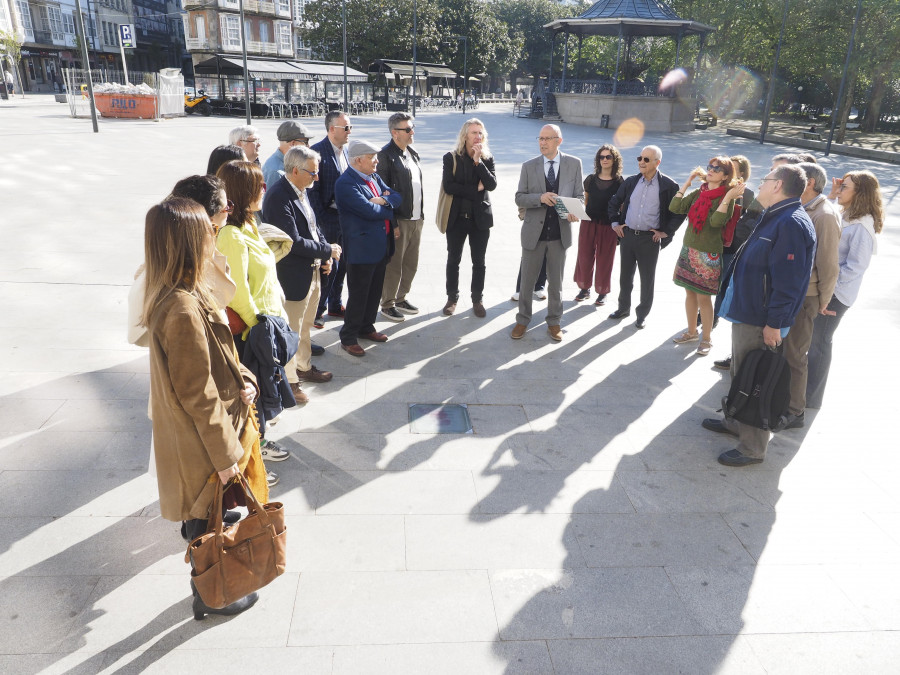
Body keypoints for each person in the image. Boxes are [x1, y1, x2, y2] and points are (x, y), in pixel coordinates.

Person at [141, 198, 265, 619]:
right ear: (186, 242)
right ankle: (213, 594)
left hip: (207, 433)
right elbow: (197, 392)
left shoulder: (186, 291)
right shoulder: (180, 306)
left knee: (206, 515)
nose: (214, 236)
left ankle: (211, 591)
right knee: (203, 522)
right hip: (201, 441)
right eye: (206, 232)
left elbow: (219, 357)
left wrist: (245, 379)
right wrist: (227, 456)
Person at [702, 164, 816, 467]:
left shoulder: (791, 222)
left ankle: (752, 448)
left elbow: (788, 282)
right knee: (742, 372)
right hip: (749, 311)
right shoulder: (777, 214)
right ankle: (735, 422)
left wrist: (774, 324)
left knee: (756, 379)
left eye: (765, 180)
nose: (761, 184)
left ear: (777, 185)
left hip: (761, 318)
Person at [215, 160, 293, 469]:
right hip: (252, 333)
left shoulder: (249, 224)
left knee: (261, 401)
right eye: (258, 185)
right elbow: (236, 292)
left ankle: (256, 453)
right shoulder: (231, 235)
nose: (264, 189)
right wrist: (259, 327)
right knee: (251, 403)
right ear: (242, 191)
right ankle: (251, 467)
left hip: (267, 325)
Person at [262, 145, 341, 396]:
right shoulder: (278, 196)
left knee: (306, 325)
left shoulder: (302, 190)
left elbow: (313, 227)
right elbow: (293, 241)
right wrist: (327, 250)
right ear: (295, 170)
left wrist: (323, 254)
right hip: (293, 275)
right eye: (312, 173)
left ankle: (304, 367)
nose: (316, 178)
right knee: (292, 330)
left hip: (312, 270)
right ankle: (290, 381)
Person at [806, 170, 884, 409]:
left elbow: (855, 267)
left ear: (859, 193)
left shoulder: (863, 225)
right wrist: (831, 194)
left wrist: (828, 293)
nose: (839, 190)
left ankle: (810, 399)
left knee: (820, 342)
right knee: (813, 341)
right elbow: (819, 220)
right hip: (827, 289)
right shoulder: (846, 213)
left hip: (836, 295)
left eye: (844, 187)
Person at [778, 163, 841, 427]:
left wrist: (823, 299)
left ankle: (795, 412)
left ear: (811, 182)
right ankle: (780, 402)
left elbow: (828, 263)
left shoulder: (824, 214)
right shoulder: (802, 207)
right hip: (792, 292)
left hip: (808, 295)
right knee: (784, 352)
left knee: (795, 355)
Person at [511, 124, 584, 341]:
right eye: (540, 138)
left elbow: (580, 196)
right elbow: (519, 197)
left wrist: (575, 211)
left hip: (560, 234)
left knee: (556, 283)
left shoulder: (574, 164)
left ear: (558, 141)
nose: (542, 142)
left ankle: (554, 322)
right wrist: (539, 198)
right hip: (534, 234)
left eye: (547, 139)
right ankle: (522, 320)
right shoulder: (528, 166)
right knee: (526, 283)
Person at [668, 156, 742, 356]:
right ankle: (692, 332)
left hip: (708, 254)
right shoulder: (699, 192)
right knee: (689, 293)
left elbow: (717, 222)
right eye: (710, 167)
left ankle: (707, 338)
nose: (711, 170)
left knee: (704, 298)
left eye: (717, 169)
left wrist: (727, 198)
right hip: (689, 249)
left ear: (726, 176)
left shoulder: (727, 197)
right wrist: (687, 182)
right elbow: (675, 207)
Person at [334, 140, 402, 356]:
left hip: (380, 246)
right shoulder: (346, 183)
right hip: (361, 249)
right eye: (372, 157)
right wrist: (387, 205)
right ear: (358, 160)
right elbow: (369, 211)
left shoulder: (372, 176)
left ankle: (366, 327)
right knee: (359, 294)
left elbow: (397, 197)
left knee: (374, 292)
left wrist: (380, 200)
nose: (376, 161)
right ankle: (349, 337)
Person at [607, 145, 684, 329]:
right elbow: (614, 202)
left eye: (646, 159)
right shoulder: (631, 182)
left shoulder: (669, 185)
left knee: (647, 279)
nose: (641, 162)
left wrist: (666, 232)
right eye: (640, 158)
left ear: (658, 162)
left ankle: (641, 315)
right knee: (625, 277)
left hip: (650, 240)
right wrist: (615, 224)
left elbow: (680, 212)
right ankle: (623, 308)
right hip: (628, 236)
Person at [441, 118, 497, 318]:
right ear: (465, 135)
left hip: (480, 219)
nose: (478, 136)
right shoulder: (451, 157)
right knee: (453, 259)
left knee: (479, 261)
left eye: (480, 133)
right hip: (457, 218)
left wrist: (478, 161)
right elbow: (449, 186)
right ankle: (452, 298)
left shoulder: (487, 158)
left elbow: (491, 185)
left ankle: (477, 299)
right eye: (474, 133)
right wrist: (475, 189)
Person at [377, 112, 424, 322]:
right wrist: (392, 223)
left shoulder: (412, 153)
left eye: (412, 127)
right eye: (408, 129)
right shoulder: (385, 156)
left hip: (416, 219)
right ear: (395, 133)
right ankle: (387, 303)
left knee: (411, 264)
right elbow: (383, 194)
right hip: (400, 220)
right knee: (394, 265)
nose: (412, 131)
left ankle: (401, 297)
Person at [309, 112, 352, 325]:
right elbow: (312, 191)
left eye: (349, 127)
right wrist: (322, 218)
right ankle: (318, 310)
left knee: (342, 263)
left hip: (344, 217)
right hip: (326, 219)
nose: (349, 132)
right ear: (331, 129)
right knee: (327, 266)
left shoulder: (346, 152)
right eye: (345, 128)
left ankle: (335, 304)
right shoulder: (317, 152)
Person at [574, 144, 624, 306]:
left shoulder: (619, 182)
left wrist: (619, 226)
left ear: (614, 160)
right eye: (601, 157)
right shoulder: (590, 179)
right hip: (588, 223)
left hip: (608, 226)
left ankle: (602, 291)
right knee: (584, 256)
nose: (604, 160)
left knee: (605, 259)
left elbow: (621, 206)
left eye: (608, 157)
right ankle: (584, 288)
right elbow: (586, 200)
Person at [262, 120, 313, 187]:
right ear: (293, 144)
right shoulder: (276, 172)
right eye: (305, 142)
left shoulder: (288, 163)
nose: (308, 146)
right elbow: (272, 197)